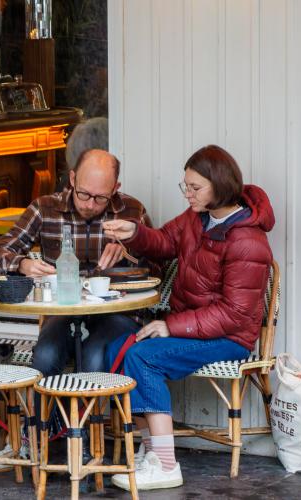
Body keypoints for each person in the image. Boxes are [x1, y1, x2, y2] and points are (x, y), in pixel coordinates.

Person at [103, 144, 275, 491]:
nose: (188, 193)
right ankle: (153, 452)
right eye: (186, 186)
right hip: (194, 327)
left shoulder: (248, 240)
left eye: (195, 187)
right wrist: (134, 233)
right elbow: (165, 242)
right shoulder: (198, 218)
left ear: (220, 185)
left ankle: (166, 465)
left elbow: (234, 314)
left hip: (229, 338)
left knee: (143, 358)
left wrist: (171, 325)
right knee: (117, 349)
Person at [0, 148, 157, 376]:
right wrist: (22, 264)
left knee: (94, 358)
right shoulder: (45, 209)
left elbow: (158, 269)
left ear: (115, 188)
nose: (90, 205)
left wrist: (129, 251)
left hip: (119, 313)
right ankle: (47, 403)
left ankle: (88, 402)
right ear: (72, 178)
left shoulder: (132, 211)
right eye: (83, 194)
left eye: (100, 198)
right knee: (45, 356)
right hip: (63, 311)